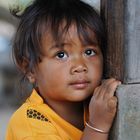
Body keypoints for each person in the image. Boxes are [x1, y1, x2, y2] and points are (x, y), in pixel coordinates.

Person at [6, 0, 121, 140]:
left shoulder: (96, 105)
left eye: (89, 52)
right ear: (30, 69)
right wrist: (97, 126)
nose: (80, 66)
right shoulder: (31, 126)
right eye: (61, 55)